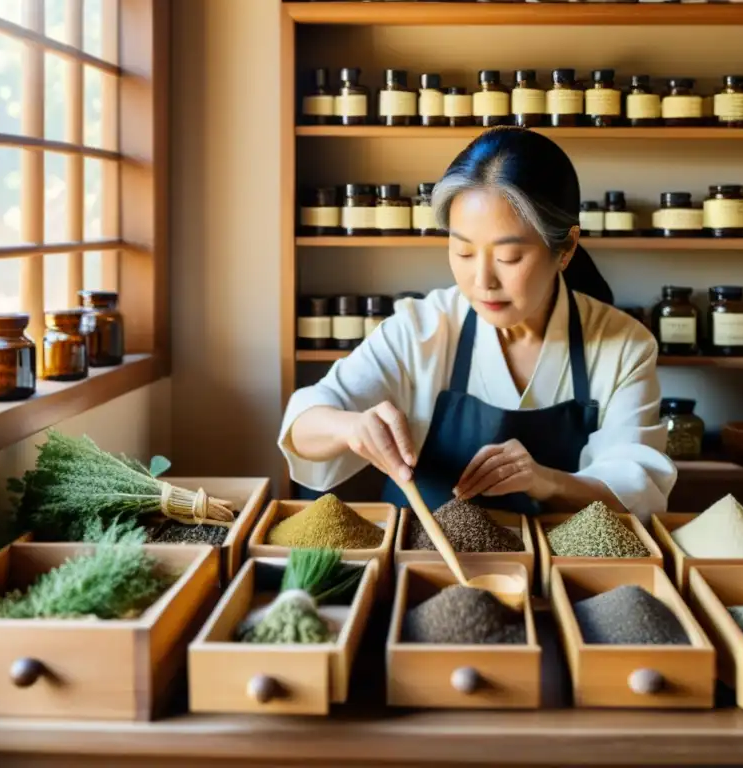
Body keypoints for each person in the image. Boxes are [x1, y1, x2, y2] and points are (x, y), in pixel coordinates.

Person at [278, 127, 676, 522]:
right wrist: (351, 427)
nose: (482, 281)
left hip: (559, 571)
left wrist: (547, 481)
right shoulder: (421, 327)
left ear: (567, 247)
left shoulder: (623, 345)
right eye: (463, 251)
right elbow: (303, 425)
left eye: (509, 257)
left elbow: (636, 488)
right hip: (421, 564)